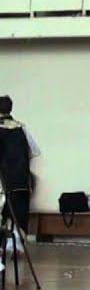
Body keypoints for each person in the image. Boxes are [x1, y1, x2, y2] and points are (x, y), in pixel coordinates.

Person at [0, 95, 40, 244]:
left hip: (3, 182)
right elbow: (34, 151)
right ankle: (16, 245)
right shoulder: (21, 128)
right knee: (19, 214)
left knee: (5, 214)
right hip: (22, 180)